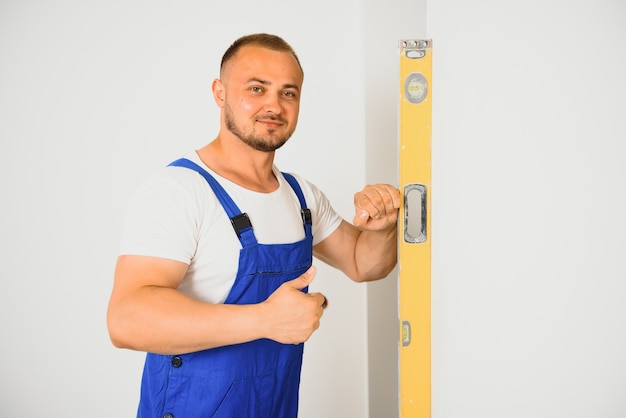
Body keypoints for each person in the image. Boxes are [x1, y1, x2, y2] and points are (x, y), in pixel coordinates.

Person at [107, 33, 400, 418]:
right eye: (257, 88)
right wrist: (266, 319)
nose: (273, 105)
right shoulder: (179, 190)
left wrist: (382, 228)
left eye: (288, 93)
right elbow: (127, 319)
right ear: (220, 92)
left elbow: (365, 263)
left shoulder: (301, 196)